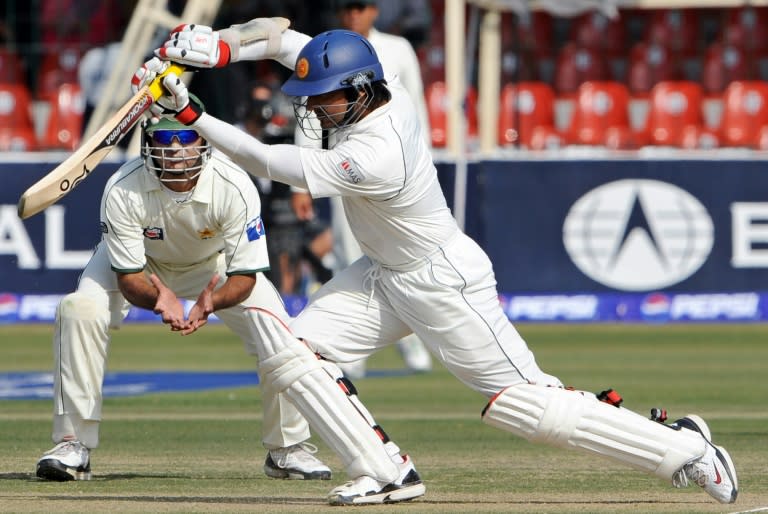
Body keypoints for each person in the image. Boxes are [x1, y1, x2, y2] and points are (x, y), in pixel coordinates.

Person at [137, 18, 738, 505]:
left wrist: (190, 113)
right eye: (312, 97)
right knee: (294, 354)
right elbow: (275, 34)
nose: (316, 107)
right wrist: (214, 47)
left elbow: (274, 164)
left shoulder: (378, 150)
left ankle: (684, 451)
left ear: (362, 91)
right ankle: (386, 470)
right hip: (381, 274)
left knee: (524, 406)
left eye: (326, 98)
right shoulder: (359, 70)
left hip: (440, 277)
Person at [34, 96, 425, 505]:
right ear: (148, 145)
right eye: (164, 138)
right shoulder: (122, 187)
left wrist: (209, 302)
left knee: (281, 332)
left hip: (214, 266)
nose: (175, 149)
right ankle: (71, 445)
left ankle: (288, 448)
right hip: (141, 268)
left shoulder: (234, 185)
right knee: (78, 309)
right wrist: (160, 298)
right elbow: (129, 277)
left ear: (203, 140)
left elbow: (245, 275)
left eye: (186, 137)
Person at [292, 0, 433, 378]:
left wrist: (424, 163)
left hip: (394, 168)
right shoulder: (325, 47)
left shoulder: (398, 48)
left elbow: (416, 105)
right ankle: (351, 348)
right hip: (344, 165)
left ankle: (413, 340)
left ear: (374, 11)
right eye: (346, 8)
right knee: (347, 252)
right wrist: (300, 182)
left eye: (360, 7)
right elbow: (310, 109)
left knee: (405, 256)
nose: (353, 15)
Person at [239, 81, 334, 297]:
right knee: (279, 262)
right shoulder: (241, 137)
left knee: (319, 241)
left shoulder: (282, 133)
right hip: (262, 214)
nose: (261, 122)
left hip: (292, 209)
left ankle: (306, 286)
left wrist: (298, 189)